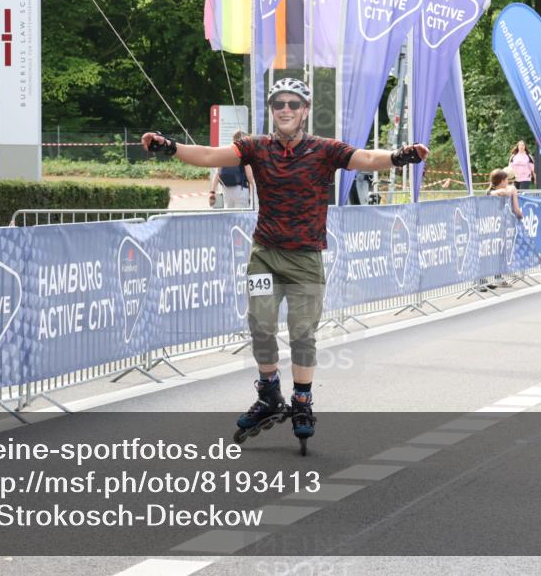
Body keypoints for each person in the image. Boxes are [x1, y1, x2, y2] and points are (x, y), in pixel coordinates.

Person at [141, 77, 428, 447]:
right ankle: (269, 394)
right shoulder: (256, 147)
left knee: (302, 333)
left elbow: (367, 159)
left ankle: (303, 400)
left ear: (305, 110)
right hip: (265, 255)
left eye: (294, 104)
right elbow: (211, 156)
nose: (287, 110)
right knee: (260, 324)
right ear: (272, 111)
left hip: (306, 258)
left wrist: (401, 155)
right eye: (280, 105)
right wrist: (168, 146)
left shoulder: (326, 150)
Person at [209, 130, 255, 208]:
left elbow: (217, 174)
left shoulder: (225, 152)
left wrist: (212, 191)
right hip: (241, 190)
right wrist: (256, 187)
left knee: (230, 216)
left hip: (226, 190)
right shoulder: (243, 152)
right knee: (241, 216)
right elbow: (249, 175)